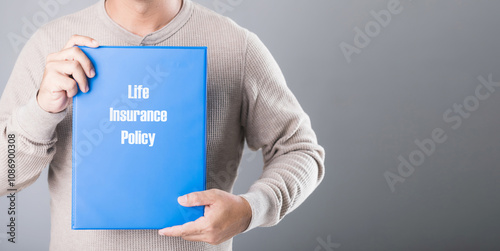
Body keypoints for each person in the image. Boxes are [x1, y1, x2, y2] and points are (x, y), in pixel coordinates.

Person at [0, 0, 325, 250]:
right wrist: (42, 109)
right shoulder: (50, 45)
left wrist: (250, 210)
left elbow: (300, 150)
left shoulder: (236, 46)